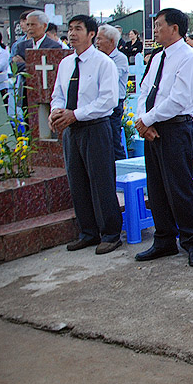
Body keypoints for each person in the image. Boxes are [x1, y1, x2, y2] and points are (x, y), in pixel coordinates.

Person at [134, 8, 193, 267]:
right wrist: (143, 121)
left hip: (175, 129)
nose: (154, 30)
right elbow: (144, 91)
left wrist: (147, 120)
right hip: (152, 130)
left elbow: (179, 99)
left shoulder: (188, 57)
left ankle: (192, 242)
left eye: (158, 25)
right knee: (157, 188)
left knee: (180, 188)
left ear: (174, 28)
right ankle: (164, 239)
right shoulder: (157, 58)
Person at [49, 15, 123, 255]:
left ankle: (110, 234)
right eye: (69, 29)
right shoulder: (66, 64)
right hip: (72, 130)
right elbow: (58, 94)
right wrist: (56, 113)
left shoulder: (103, 63)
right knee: (77, 181)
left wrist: (76, 114)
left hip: (95, 127)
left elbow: (108, 100)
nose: (72, 34)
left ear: (91, 34)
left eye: (78, 29)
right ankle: (88, 232)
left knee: (101, 180)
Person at [95, 24, 129, 162]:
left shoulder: (120, 58)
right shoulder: (96, 58)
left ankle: (121, 169)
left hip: (114, 105)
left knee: (114, 138)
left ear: (111, 42)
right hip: (98, 103)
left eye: (99, 39)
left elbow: (109, 77)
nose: (96, 43)